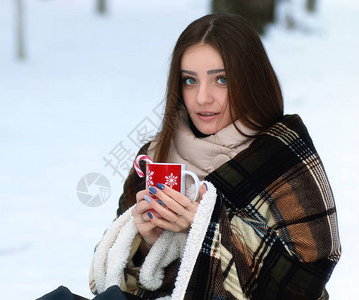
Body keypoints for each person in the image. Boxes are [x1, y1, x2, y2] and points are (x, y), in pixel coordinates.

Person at [39, 13, 341, 300]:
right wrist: (147, 245)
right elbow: (120, 284)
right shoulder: (155, 156)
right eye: (190, 80)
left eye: (220, 79)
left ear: (250, 80)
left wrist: (204, 228)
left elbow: (306, 282)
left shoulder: (284, 157)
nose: (202, 97)